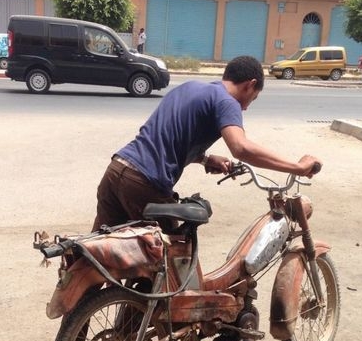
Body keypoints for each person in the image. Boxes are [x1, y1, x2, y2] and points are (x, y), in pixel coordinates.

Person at [92, 55, 321, 231]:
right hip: (144, 184)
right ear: (250, 85)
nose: (246, 107)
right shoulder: (227, 101)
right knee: (172, 262)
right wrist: (297, 167)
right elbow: (240, 148)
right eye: (253, 98)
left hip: (117, 169)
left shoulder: (189, 88)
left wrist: (205, 159)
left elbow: (168, 138)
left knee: (97, 257)